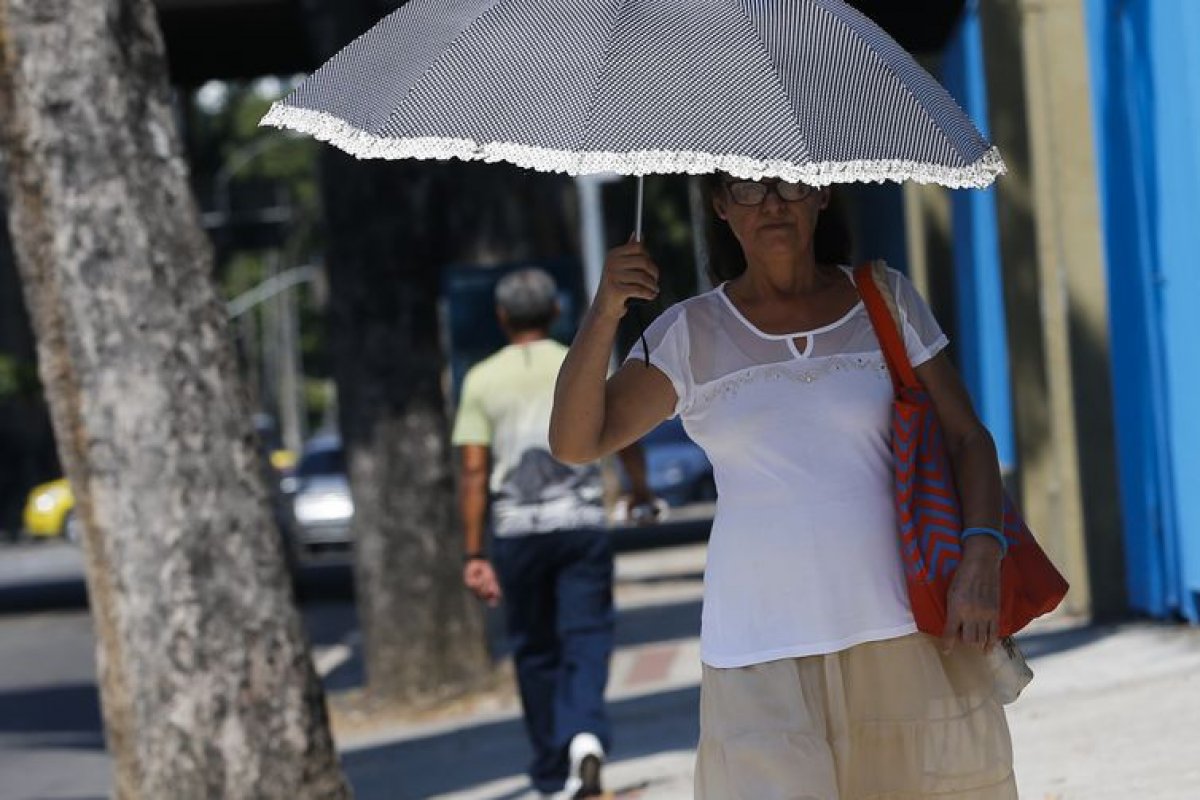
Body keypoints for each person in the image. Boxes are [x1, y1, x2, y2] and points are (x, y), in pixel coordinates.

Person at [550, 176, 1018, 799]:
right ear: (719, 205)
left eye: (790, 183)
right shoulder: (689, 335)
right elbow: (577, 442)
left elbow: (968, 440)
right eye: (746, 188)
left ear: (821, 195)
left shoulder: (884, 300)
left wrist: (981, 556)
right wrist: (606, 307)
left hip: (898, 633)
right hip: (756, 649)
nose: (771, 201)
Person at [452, 267, 655, 800]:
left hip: (517, 533)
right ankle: (585, 735)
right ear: (557, 311)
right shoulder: (580, 360)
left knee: (535, 649)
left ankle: (549, 772)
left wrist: (474, 550)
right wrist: (638, 486)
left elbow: (474, 471)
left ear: (502, 317)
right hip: (581, 524)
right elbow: (624, 431)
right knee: (586, 636)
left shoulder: (480, 379)